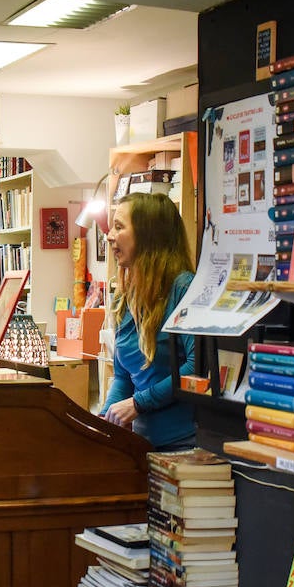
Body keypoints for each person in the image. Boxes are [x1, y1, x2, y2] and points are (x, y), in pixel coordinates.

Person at [98, 192, 197, 450]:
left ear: (148, 235)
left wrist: (138, 403)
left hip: (184, 447)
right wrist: (103, 421)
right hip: (142, 447)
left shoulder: (183, 288)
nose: (109, 236)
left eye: (119, 227)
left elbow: (196, 367)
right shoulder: (124, 298)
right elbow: (123, 377)